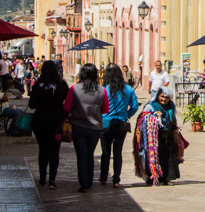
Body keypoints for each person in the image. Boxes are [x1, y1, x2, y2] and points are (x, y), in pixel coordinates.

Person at [67, 64, 106, 192]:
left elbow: (66, 107)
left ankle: (84, 183)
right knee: (90, 154)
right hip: (95, 127)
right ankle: (89, 181)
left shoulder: (74, 88)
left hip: (78, 126)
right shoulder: (102, 90)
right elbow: (105, 109)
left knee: (81, 155)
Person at [29, 61, 68, 188]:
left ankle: (42, 177)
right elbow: (68, 102)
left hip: (40, 120)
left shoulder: (38, 84)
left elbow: (32, 104)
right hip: (57, 122)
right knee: (54, 150)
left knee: (43, 149)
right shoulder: (61, 84)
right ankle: (52, 179)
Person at [134, 86, 185, 186]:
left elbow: (173, 118)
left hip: (168, 135)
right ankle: (152, 177)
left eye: (166, 97)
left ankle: (167, 178)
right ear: (158, 96)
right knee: (153, 156)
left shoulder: (171, 106)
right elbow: (143, 119)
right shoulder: (151, 106)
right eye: (162, 96)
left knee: (168, 156)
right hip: (154, 137)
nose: (164, 99)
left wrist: (175, 130)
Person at [101, 63, 140, 188]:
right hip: (121, 124)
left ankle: (103, 177)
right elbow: (134, 106)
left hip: (106, 123)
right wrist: (126, 115)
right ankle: (116, 179)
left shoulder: (104, 89)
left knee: (105, 152)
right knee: (118, 152)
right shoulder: (128, 89)